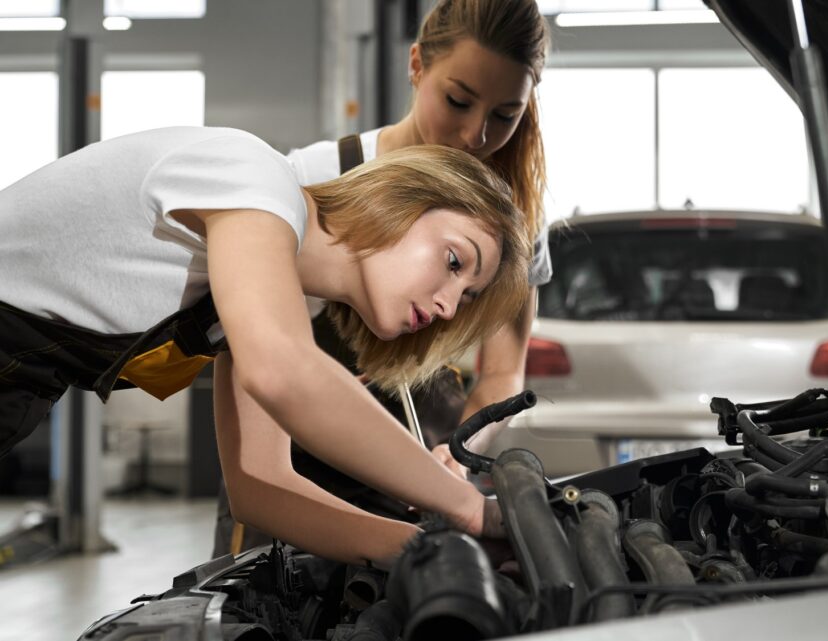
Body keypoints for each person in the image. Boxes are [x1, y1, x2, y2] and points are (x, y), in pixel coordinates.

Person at [0, 125, 530, 566]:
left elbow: (261, 487)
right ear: (401, 198)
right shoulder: (249, 175)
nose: (447, 306)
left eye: (466, 298)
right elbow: (284, 372)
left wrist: (438, 552)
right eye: (455, 262)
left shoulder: (257, 294)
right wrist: (469, 508)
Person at [290, 0, 552, 467]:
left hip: (422, 465)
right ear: (416, 65)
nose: (476, 135)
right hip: (294, 456)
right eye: (458, 101)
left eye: (505, 115)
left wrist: (459, 454)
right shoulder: (319, 174)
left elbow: (502, 372)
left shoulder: (516, 222)